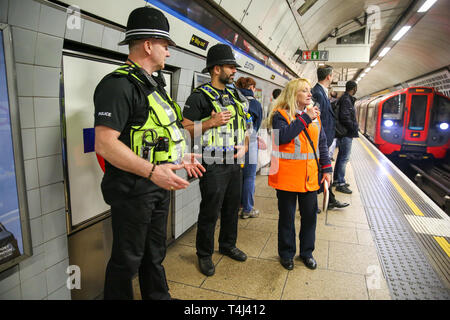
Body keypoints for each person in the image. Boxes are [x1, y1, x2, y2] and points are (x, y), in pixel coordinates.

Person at [94, 7, 205, 300]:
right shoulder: (117, 86)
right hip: (133, 189)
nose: (168, 53)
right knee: (126, 259)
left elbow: (156, 135)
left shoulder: (155, 86)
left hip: (156, 184)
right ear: (147, 45)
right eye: (166, 46)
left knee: (154, 252)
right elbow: (105, 144)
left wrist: (177, 160)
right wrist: (153, 171)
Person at [182, 43, 250, 276]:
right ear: (216, 69)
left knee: (232, 207)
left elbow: (245, 124)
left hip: (234, 162)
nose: (234, 71)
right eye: (230, 67)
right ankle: (204, 254)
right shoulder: (199, 97)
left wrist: (245, 144)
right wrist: (211, 122)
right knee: (210, 209)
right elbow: (187, 129)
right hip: (211, 162)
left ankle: (228, 245)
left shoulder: (236, 95)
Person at [268, 78, 332, 271]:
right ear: (293, 94)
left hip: (310, 177)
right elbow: (283, 137)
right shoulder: (279, 115)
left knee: (309, 217)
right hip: (287, 178)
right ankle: (286, 254)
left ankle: (306, 253)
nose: (310, 94)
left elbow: (322, 142)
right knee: (287, 218)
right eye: (305, 91)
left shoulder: (314, 115)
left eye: (309, 90)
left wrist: (327, 168)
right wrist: (305, 118)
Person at [311, 65, 349, 210]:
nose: (332, 77)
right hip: (322, 139)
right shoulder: (319, 93)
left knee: (321, 170)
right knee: (318, 170)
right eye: (332, 75)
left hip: (324, 138)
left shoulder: (321, 92)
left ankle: (327, 199)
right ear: (328, 76)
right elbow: (316, 119)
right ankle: (315, 202)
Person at [236, 77, 263, 219]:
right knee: (249, 177)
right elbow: (256, 126)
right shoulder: (256, 104)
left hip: (232, 141)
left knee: (235, 176)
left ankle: (234, 207)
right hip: (250, 141)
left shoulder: (232, 98)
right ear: (251, 87)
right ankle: (247, 209)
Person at [333, 80, 359, 194]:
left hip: (345, 132)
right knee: (344, 158)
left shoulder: (345, 99)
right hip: (346, 133)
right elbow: (345, 117)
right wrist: (353, 127)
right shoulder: (346, 100)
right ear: (354, 89)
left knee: (341, 157)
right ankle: (340, 183)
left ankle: (337, 179)